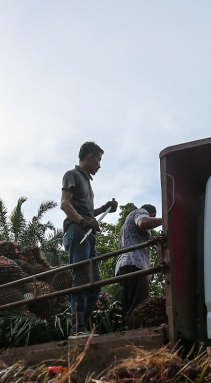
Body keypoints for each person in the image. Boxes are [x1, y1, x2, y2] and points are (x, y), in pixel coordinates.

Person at [61, 141, 117, 338]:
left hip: (87, 233)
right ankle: (76, 329)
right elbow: (65, 205)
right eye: (98, 160)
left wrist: (104, 208)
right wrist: (84, 222)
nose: (99, 166)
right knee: (82, 279)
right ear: (90, 156)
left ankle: (82, 326)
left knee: (95, 283)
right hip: (77, 232)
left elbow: (86, 211)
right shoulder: (72, 175)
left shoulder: (87, 182)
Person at [115, 204, 163, 327]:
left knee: (128, 310)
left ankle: (127, 335)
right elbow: (143, 222)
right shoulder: (140, 212)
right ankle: (135, 338)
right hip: (134, 264)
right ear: (152, 214)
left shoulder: (127, 226)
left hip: (124, 266)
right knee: (139, 308)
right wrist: (166, 219)